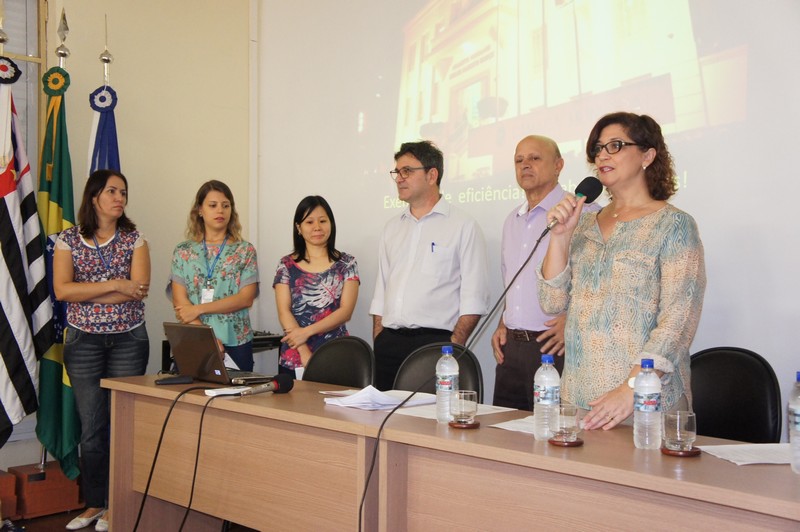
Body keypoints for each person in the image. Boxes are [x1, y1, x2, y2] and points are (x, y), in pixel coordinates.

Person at [539, 112, 706, 430]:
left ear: (647, 155)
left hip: (646, 404)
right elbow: (552, 302)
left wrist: (632, 388)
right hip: (578, 400)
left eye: (615, 146)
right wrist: (560, 238)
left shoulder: (674, 225)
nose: (602, 155)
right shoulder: (584, 223)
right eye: (598, 149)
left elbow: (679, 321)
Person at [53, 169, 150, 531]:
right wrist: (116, 285)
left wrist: (93, 289)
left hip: (128, 339)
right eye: (112, 191)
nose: (119, 198)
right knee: (92, 425)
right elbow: (63, 291)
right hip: (84, 342)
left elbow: (140, 289)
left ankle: (119, 504)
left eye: (123, 192)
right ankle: (95, 503)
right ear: (94, 197)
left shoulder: (134, 239)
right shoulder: (68, 240)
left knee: (123, 424)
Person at [370, 140, 490, 391]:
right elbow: (381, 289)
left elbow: (474, 297)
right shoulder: (392, 227)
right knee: (382, 425)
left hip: (436, 346)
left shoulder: (463, 225)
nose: (399, 179)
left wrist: (454, 345)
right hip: (389, 344)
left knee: (429, 425)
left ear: (432, 175)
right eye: (397, 172)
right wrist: (379, 336)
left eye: (407, 171)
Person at [492, 135, 599, 411]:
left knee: (553, 441)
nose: (525, 165)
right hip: (511, 350)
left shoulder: (584, 213)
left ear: (558, 165)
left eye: (535, 158)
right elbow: (512, 282)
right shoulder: (510, 220)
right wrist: (503, 322)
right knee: (503, 439)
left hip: (555, 348)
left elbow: (597, 281)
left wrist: (573, 320)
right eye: (519, 160)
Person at [169, 180, 259, 371]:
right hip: (195, 338)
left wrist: (199, 309)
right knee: (189, 398)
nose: (220, 211)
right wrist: (207, 337)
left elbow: (246, 298)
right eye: (213, 205)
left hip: (236, 341)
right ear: (200, 210)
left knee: (235, 399)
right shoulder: (183, 251)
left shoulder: (245, 250)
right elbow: (180, 300)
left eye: (226, 206)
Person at [273, 195, 359, 378]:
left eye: (322, 221)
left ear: (331, 224)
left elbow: (346, 311)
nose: (317, 227)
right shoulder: (286, 265)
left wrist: (306, 332)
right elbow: (284, 311)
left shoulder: (347, 263)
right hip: (295, 355)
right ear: (299, 228)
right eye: (309, 222)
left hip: (335, 353)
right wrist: (304, 351)